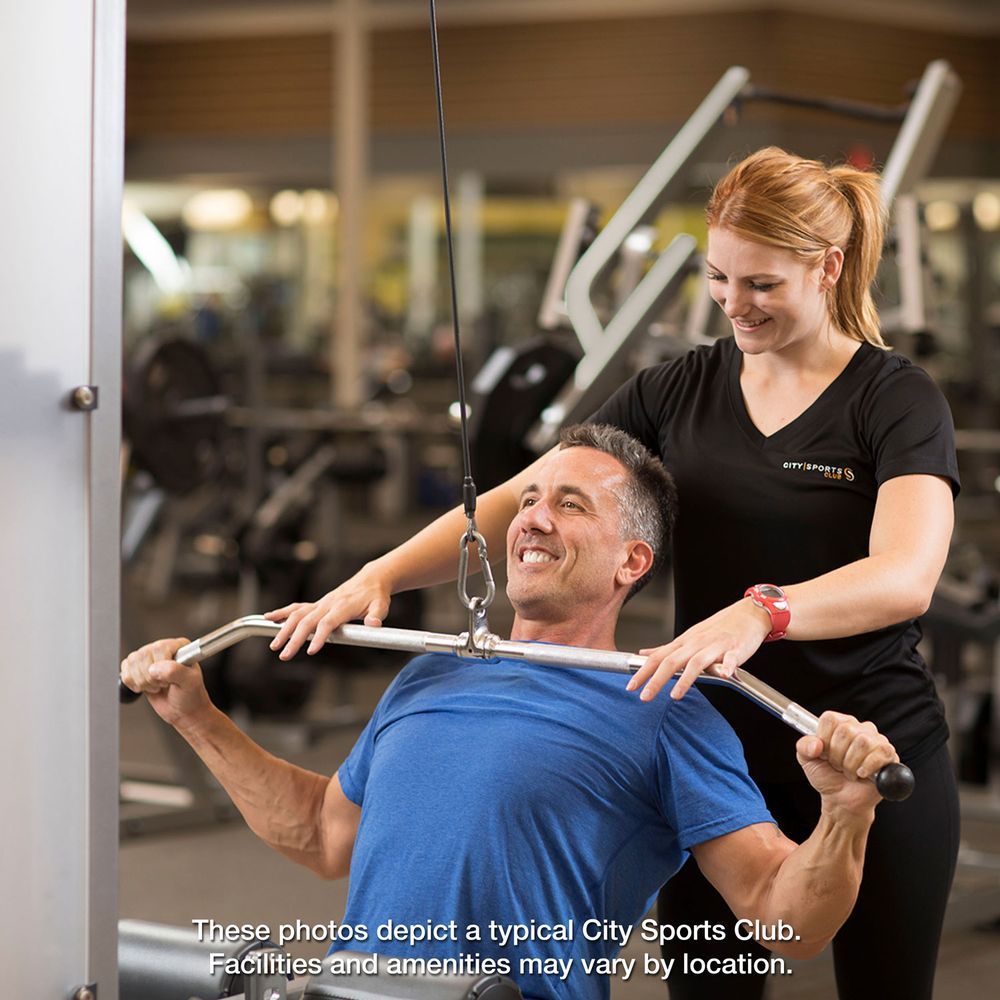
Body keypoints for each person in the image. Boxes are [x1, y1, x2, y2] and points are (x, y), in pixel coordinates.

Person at [267, 148, 960, 1000]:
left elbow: (905, 575)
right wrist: (379, 574)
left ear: (829, 268)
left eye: (762, 285)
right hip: (715, 743)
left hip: (863, 739)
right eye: (719, 278)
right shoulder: (676, 389)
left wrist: (760, 612)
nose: (734, 304)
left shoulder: (894, 398)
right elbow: (522, 497)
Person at [123, 425, 901, 1000]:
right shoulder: (427, 676)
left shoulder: (666, 709)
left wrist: (845, 814)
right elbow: (324, 834)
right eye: (528, 501)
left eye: (570, 505)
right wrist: (195, 715)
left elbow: (785, 919)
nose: (532, 518)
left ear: (631, 561)